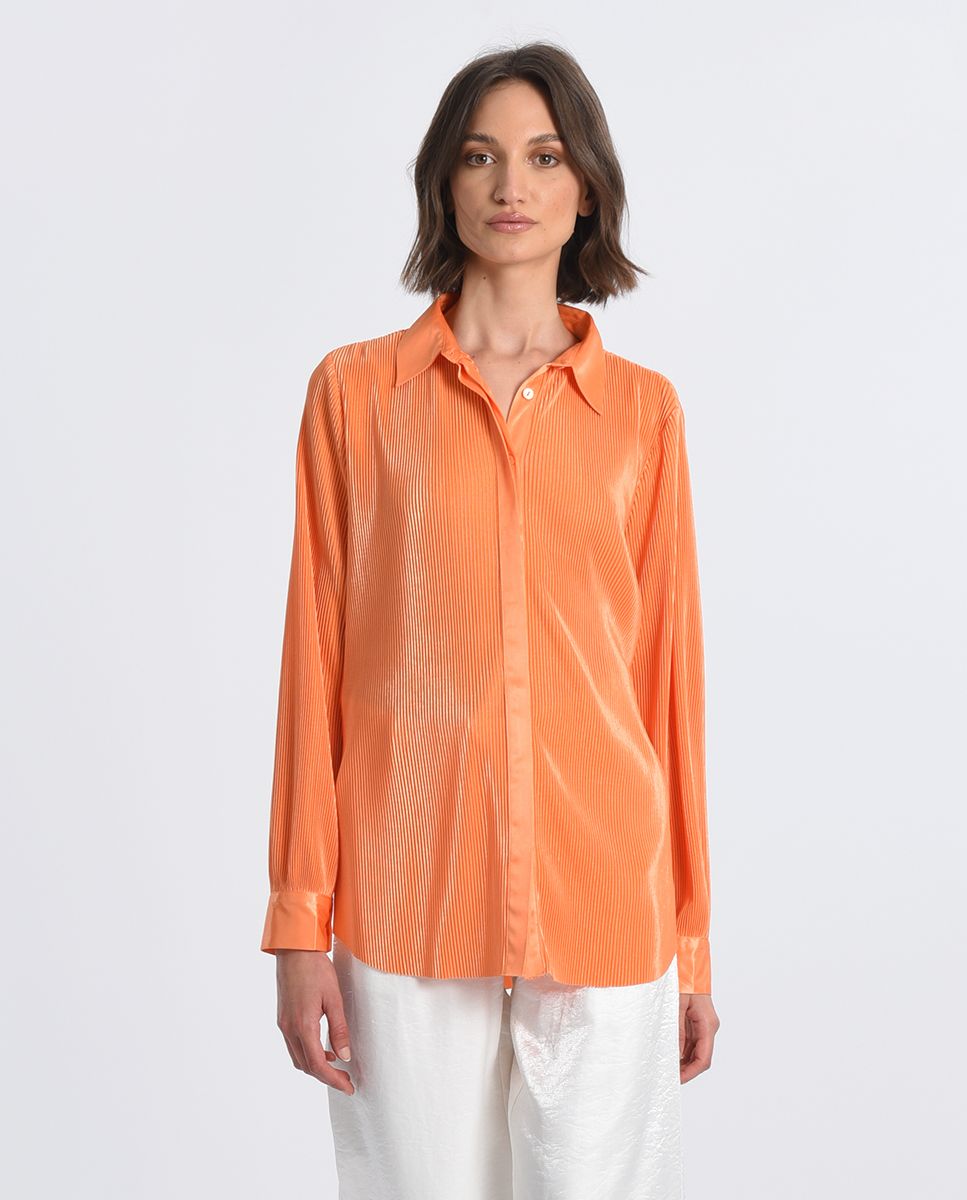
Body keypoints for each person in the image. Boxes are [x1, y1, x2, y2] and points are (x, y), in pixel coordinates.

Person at [260, 40, 720, 1200]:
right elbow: (313, 668)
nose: (511, 185)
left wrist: (691, 945)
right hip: (407, 894)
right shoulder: (355, 396)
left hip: (604, 897)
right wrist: (299, 925)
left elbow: (666, 688)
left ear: (587, 188)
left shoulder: (643, 416)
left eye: (544, 157)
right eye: (480, 157)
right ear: (444, 183)